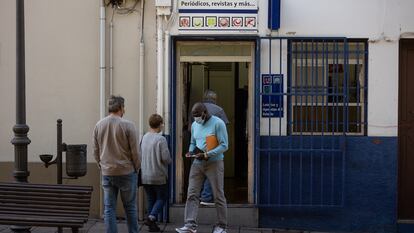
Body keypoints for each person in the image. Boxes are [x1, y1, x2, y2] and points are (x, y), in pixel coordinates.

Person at [176, 102, 229, 233]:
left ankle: (222, 226)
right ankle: (189, 225)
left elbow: (224, 146)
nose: (196, 119)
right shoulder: (194, 125)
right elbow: (193, 141)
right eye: (194, 117)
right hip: (197, 163)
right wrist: (190, 151)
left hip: (214, 163)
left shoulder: (218, 123)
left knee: (218, 195)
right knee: (192, 194)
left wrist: (206, 154)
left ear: (205, 113)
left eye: (198, 116)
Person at [93, 95, 140, 233]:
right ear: (121, 108)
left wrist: (100, 165)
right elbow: (135, 152)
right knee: (130, 207)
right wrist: (136, 167)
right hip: (126, 171)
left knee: (109, 208)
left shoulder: (99, 125)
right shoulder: (128, 125)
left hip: (107, 171)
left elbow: (95, 150)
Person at [141, 114, 172, 232]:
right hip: (158, 175)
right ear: (160, 125)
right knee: (163, 197)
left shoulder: (144, 137)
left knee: (150, 199)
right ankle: (151, 217)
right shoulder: (161, 139)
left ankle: (152, 226)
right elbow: (166, 158)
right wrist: (171, 160)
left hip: (145, 175)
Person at [200, 90, 229, 206]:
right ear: (214, 99)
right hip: (212, 143)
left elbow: (190, 127)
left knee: (199, 170)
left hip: (198, 143)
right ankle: (206, 196)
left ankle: (199, 195)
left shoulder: (197, 108)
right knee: (212, 170)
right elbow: (224, 125)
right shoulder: (218, 110)